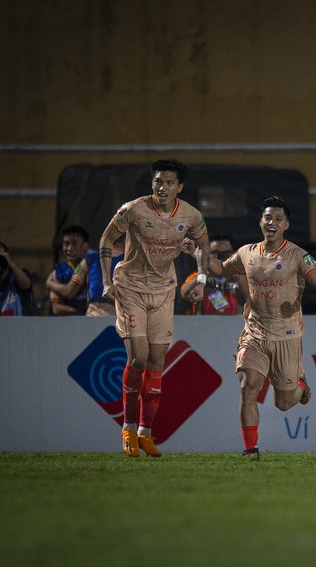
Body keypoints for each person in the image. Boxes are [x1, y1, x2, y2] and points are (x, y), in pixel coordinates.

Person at [202, 196, 316, 461]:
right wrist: (200, 253)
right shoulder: (246, 253)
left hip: (286, 334)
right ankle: (250, 449)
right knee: (248, 385)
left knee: (284, 403)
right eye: (267, 217)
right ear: (260, 221)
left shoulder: (298, 255)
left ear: (286, 224)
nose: (271, 222)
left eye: (277, 218)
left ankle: (300, 384)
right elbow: (219, 269)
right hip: (254, 332)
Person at [99, 159, 210, 458]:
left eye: (169, 183)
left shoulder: (190, 215)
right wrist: (107, 281)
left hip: (163, 291)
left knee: (157, 361)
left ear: (180, 187)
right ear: (152, 183)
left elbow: (203, 244)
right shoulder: (134, 209)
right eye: (158, 181)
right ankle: (128, 428)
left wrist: (200, 277)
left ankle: (146, 434)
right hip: (131, 287)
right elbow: (107, 238)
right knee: (139, 358)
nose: (162, 187)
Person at [180, 233, 243, 315]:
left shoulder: (241, 277)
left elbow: (252, 297)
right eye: (216, 252)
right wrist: (203, 275)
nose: (222, 256)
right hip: (204, 325)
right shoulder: (197, 276)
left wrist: (234, 272)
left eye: (227, 252)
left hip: (235, 325)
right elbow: (184, 293)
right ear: (207, 254)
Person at [44, 225, 90, 316]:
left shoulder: (94, 268)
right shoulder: (58, 272)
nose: (69, 248)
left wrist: (49, 283)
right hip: (69, 325)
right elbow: (56, 308)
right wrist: (83, 313)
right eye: (66, 244)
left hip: (96, 322)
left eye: (74, 243)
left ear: (85, 246)